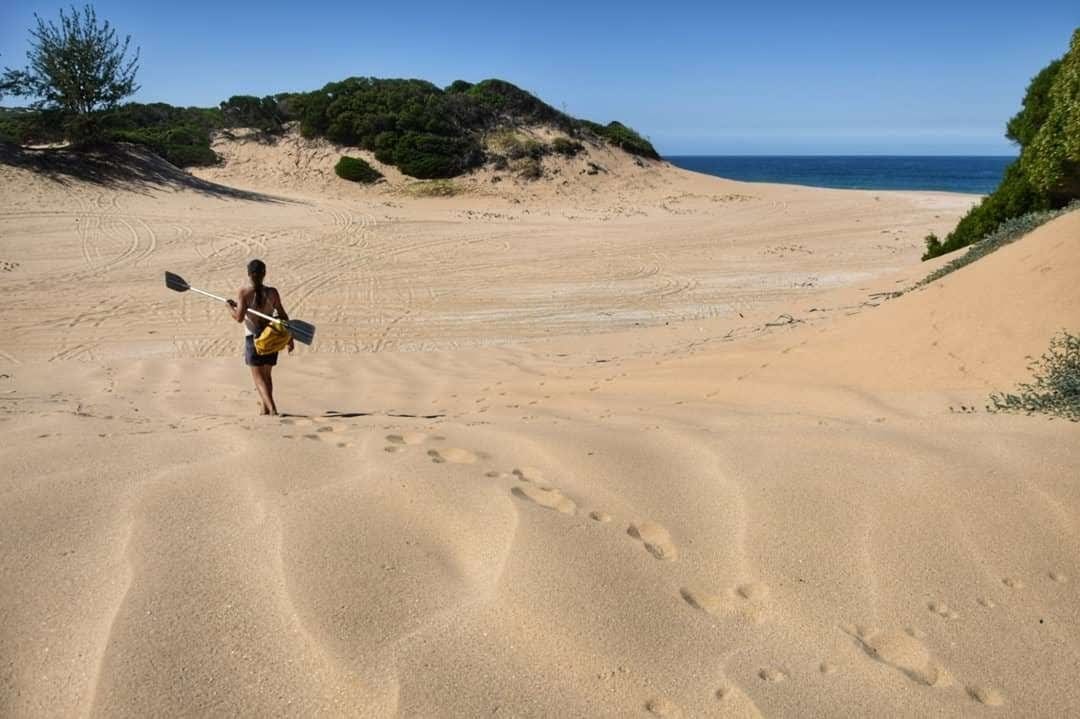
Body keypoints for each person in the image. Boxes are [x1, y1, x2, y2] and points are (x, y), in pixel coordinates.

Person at [227, 259, 294, 415]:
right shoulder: (272, 292)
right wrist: (290, 337)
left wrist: (229, 307)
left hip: (254, 338)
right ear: (265, 274)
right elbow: (283, 316)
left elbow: (238, 318)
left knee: (259, 379)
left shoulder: (244, 293)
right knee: (267, 376)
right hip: (271, 337)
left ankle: (272, 408)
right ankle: (264, 409)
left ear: (249, 274)